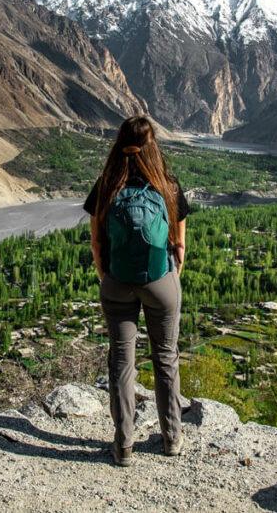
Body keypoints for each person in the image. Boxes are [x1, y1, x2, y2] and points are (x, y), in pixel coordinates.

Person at [84, 115, 190, 467]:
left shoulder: (106, 186)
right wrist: (169, 279)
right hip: (160, 281)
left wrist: (107, 277)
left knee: (121, 360)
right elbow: (178, 246)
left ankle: (124, 446)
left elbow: (97, 245)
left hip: (117, 283)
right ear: (153, 145)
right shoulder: (168, 186)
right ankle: (172, 438)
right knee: (165, 356)